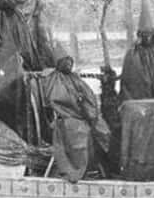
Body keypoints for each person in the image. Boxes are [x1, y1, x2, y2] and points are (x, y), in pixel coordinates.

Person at [42, 43, 112, 182]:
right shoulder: (53, 80)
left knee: (104, 130)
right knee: (80, 132)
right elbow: (60, 100)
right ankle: (80, 170)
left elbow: (88, 95)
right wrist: (79, 102)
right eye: (65, 62)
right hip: (68, 117)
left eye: (70, 61)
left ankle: (101, 166)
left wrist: (88, 110)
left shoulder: (74, 77)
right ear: (59, 63)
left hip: (84, 114)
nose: (68, 64)